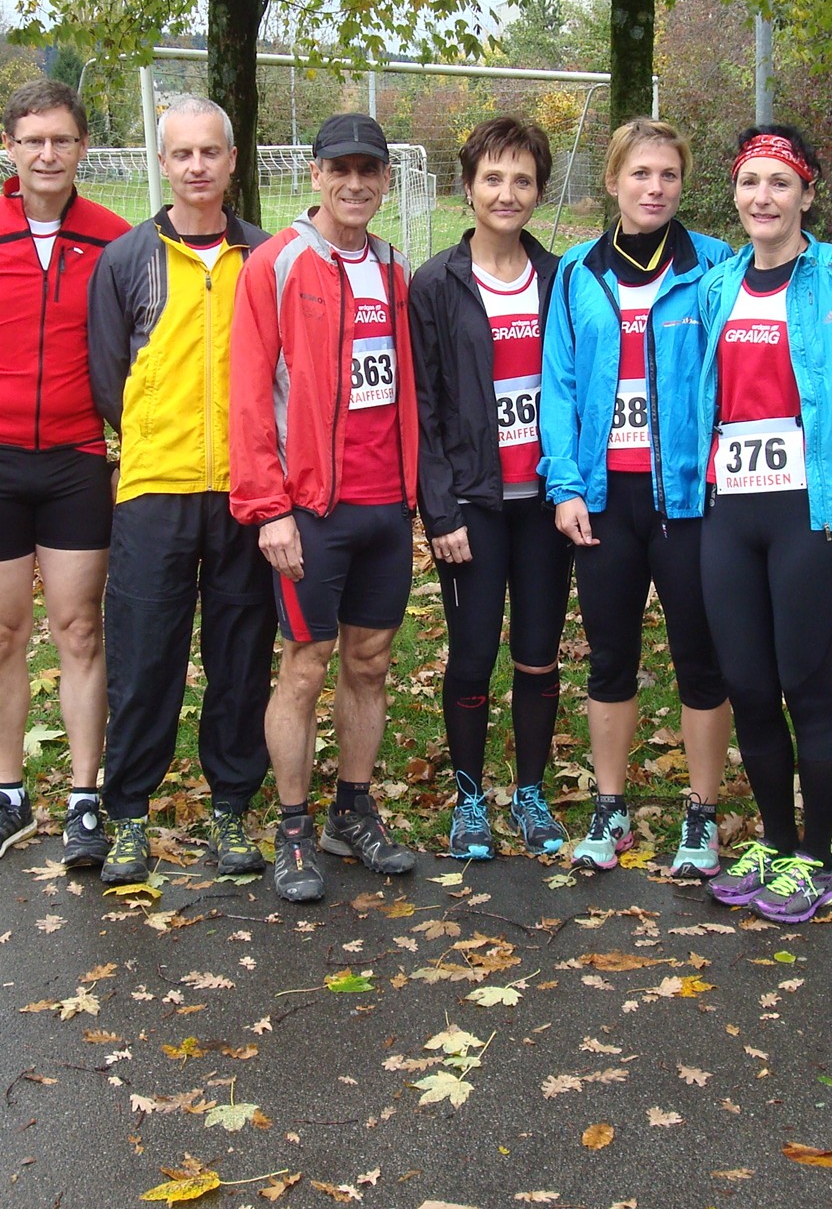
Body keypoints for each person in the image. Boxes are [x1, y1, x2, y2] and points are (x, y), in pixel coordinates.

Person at [0, 79, 131, 866]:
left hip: (78, 463)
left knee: (80, 629)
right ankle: (9, 796)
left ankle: (83, 800)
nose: (48, 153)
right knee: (0, 633)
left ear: (82, 149)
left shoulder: (115, 239)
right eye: (33, 139)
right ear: (10, 147)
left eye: (63, 139)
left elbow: (136, 358)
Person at [229, 111, 420, 903]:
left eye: (367, 171)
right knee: (304, 668)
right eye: (338, 169)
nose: (354, 183)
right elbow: (246, 397)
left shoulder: (395, 269)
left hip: (385, 507)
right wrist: (270, 509)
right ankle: (295, 828)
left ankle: (353, 808)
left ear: (383, 180)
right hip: (310, 510)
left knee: (369, 664)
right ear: (313, 175)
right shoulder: (273, 265)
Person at [87, 96, 275, 885]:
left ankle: (231, 810)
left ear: (233, 162)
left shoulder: (267, 257)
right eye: (182, 154)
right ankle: (127, 815)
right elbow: (106, 380)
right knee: (145, 659)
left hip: (247, 491)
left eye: (211, 152)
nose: (197, 167)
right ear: (162, 164)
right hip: (154, 490)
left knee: (239, 659)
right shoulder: (126, 260)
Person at [697, 126, 832, 923]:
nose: (762, 198)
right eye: (749, 184)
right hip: (731, 510)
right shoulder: (719, 285)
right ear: (734, 194)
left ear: (807, 194)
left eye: (779, 183)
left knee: (805, 684)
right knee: (746, 685)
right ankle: (775, 841)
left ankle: (818, 857)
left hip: (810, 511)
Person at [538, 118, 733, 876]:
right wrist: (565, 485)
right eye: (641, 174)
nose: (655, 189)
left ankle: (702, 816)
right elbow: (559, 385)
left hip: (686, 497)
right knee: (611, 657)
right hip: (606, 497)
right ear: (614, 182)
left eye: (669, 176)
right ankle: (610, 809)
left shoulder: (715, 266)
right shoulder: (579, 275)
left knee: (699, 658)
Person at [410, 117, 572, 859]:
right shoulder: (435, 284)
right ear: (469, 185)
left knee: (539, 652)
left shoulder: (563, 278)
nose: (507, 193)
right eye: (493, 178)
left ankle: (531, 792)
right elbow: (426, 408)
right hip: (472, 506)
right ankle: (471, 798)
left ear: (538, 190)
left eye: (523, 180)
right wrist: (438, 507)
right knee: (473, 653)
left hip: (542, 502)